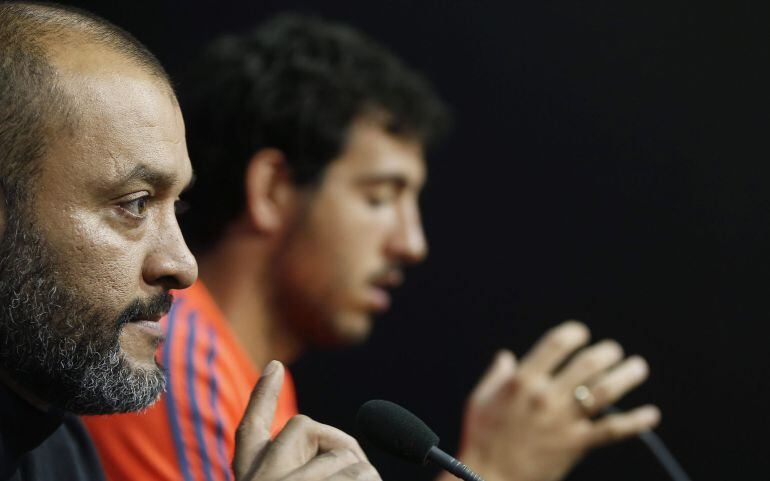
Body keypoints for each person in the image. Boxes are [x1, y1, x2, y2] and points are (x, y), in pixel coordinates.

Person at [84, 13, 661, 481]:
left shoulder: (248, 386)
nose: (413, 244)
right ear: (272, 190)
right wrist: (494, 472)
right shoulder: (175, 357)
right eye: (381, 197)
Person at [0, 4, 380, 481]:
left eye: (175, 207)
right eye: (135, 204)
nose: (183, 266)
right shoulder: (183, 367)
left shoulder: (59, 443)